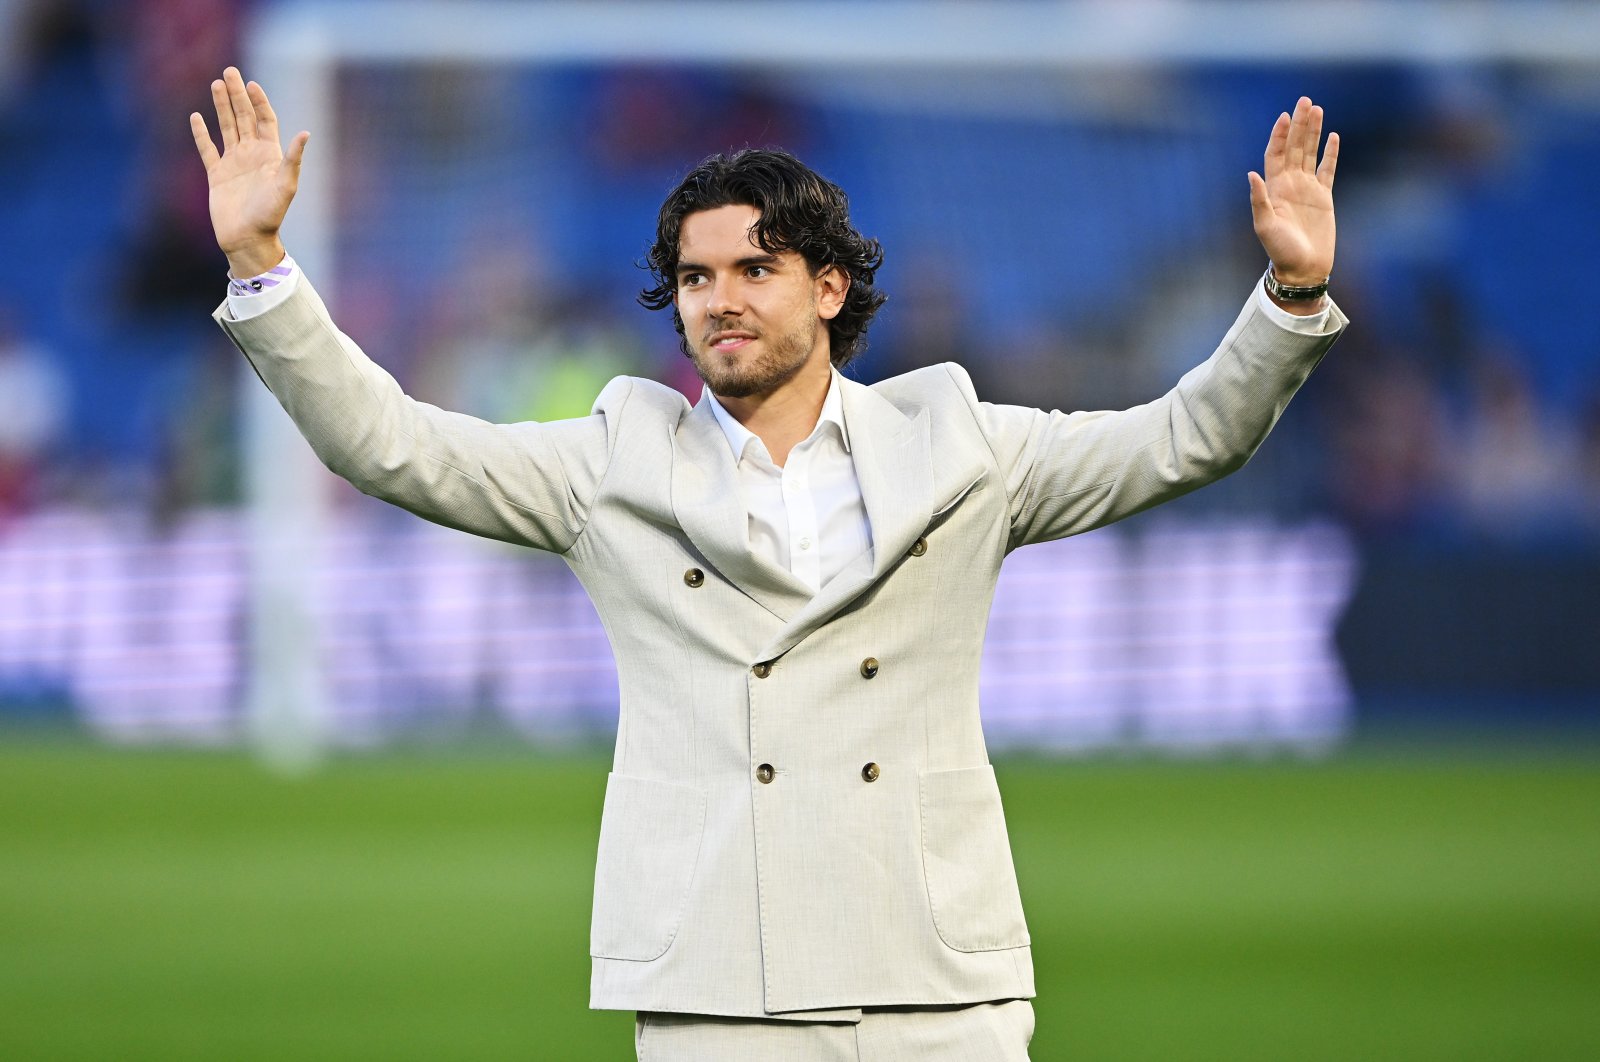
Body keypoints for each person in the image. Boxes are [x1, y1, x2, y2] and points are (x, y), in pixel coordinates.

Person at [193, 66, 1344, 1061]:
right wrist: (261, 267)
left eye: (754, 269)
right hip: (714, 981)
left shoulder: (959, 441)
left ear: (829, 289)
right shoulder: (616, 463)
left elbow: (1189, 436)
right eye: (696, 279)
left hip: (936, 977)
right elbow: (391, 445)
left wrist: (1289, 293)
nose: (719, 301)